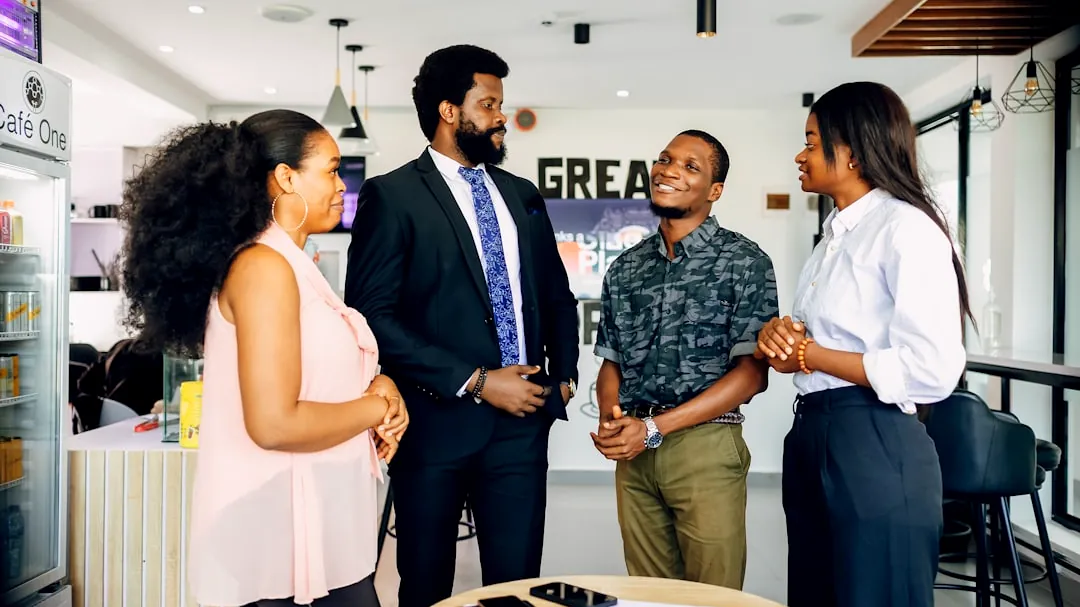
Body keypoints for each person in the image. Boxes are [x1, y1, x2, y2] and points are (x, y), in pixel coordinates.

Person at [118, 109, 409, 607]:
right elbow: (274, 424)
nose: (342, 186)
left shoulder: (294, 265)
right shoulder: (263, 268)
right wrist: (376, 408)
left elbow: (322, 376)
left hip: (322, 532)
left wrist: (382, 385)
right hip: (275, 546)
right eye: (331, 170)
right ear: (286, 178)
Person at [345, 45, 579, 607]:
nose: (501, 117)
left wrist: (565, 377)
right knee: (427, 587)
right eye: (489, 104)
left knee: (518, 589)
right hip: (434, 427)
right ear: (449, 111)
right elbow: (372, 317)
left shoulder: (522, 194)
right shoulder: (393, 195)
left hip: (522, 426)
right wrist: (476, 381)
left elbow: (555, 292)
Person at [756, 81, 970, 607]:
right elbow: (814, 343)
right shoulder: (834, 236)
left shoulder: (905, 228)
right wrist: (782, 341)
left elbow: (932, 369)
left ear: (850, 152)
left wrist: (809, 354)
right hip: (813, 432)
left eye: (811, 142)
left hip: (874, 439)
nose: (800, 156)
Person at [590, 130, 777, 588]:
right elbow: (612, 360)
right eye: (664, 159)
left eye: (690, 166)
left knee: (713, 596)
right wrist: (613, 420)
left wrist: (656, 428)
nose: (669, 170)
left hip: (705, 447)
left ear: (715, 191)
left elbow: (752, 375)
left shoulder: (744, 261)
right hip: (635, 454)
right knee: (649, 593)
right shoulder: (626, 267)